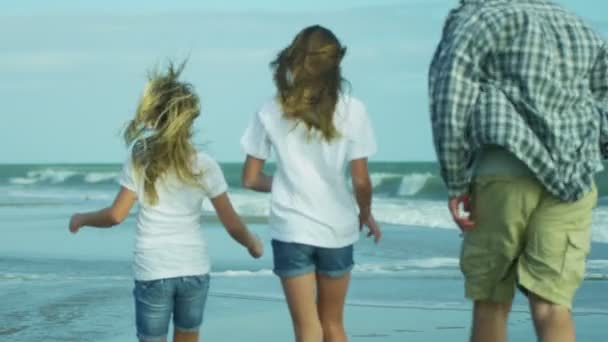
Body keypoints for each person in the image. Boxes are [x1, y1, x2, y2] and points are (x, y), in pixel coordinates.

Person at [429, 1, 607, 341]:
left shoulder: (478, 19)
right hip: (574, 179)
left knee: (492, 300)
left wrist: (455, 180)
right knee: (553, 303)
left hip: (504, 168)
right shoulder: (580, 27)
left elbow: (449, 99)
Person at [68, 62, 263, 342]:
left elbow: (115, 216)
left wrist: (82, 218)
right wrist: (253, 243)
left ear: (155, 117)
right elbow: (232, 224)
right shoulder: (205, 165)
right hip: (193, 269)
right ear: (190, 121)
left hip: (154, 270)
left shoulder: (141, 160)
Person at [240, 25, 382, 342]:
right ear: (335, 64)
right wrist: (366, 212)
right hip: (338, 228)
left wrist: (290, 182)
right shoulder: (354, 110)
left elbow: (250, 179)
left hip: (291, 230)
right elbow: (360, 180)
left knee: (307, 328)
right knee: (332, 323)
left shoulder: (270, 109)